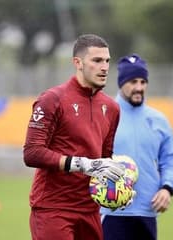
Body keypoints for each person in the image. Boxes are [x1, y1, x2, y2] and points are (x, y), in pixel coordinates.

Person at [23, 34, 126, 240]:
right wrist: (81, 164)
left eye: (107, 61)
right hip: (53, 209)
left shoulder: (112, 108)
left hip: (90, 211)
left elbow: (103, 160)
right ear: (77, 63)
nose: (104, 67)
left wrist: (118, 189)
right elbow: (32, 153)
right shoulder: (52, 99)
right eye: (97, 61)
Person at [101, 54, 173, 240]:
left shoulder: (158, 120)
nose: (139, 87)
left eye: (143, 81)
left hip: (147, 210)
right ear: (121, 83)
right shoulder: (103, 115)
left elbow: (170, 159)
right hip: (111, 211)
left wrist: (167, 188)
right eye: (132, 81)